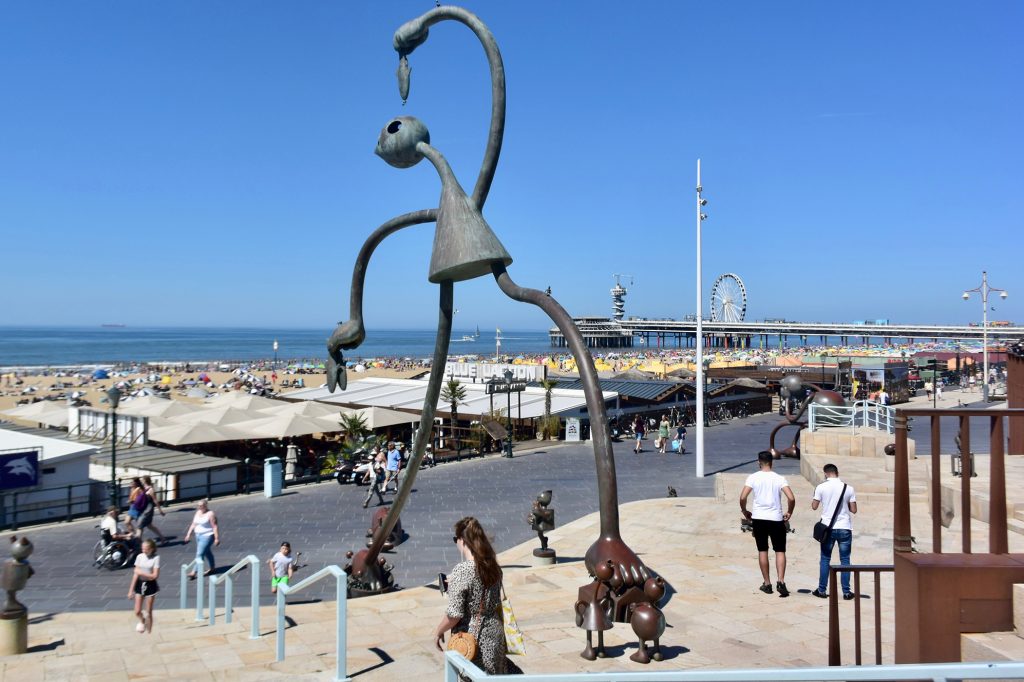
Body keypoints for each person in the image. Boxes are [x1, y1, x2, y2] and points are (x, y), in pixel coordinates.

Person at [433, 517, 522, 675]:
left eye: (456, 539)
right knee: (496, 674)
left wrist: (439, 630)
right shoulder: (493, 567)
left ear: (463, 540)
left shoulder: (462, 570)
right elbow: (481, 587)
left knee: (475, 676)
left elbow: (455, 614)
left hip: (473, 638)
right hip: (495, 632)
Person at [739, 451, 796, 597]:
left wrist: (745, 510)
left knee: (763, 550)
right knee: (780, 550)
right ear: (772, 462)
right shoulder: (779, 478)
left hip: (759, 518)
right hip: (776, 518)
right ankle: (781, 581)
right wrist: (789, 512)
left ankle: (767, 583)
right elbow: (791, 497)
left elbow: (743, 496)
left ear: (759, 462)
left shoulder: (753, 478)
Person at [811, 463, 857, 600]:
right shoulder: (848, 488)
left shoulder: (821, 487)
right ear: (837, 472)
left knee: (825, 559)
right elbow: (853, 510)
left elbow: (814, 506)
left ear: (826, 473)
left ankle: (822, 590)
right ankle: (847, 592)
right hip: (844, 528)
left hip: (827, 528)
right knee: (845, 560)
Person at [128, 539, 160, 634]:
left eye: (146, 549)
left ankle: (149, 632)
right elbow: (135, 575)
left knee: (148, 611)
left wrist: (142, 573)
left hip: (150, 585)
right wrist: (131, 590)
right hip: (140, 583)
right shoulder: (139, 557)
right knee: (137, 611)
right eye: (143, 548)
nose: (144, 550)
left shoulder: (156, 558)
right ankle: (142, 620)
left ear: (151, 549)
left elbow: (155, 575)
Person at [183, 499, 219, 578]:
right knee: (207, 552)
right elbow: (194, 524)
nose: (199, 507)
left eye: (201, 506)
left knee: (199, 554)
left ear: (205, 506)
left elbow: (214, 526)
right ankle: (212, 567)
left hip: (207, 536)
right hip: (198, 535)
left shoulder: (210, 514)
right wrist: (188, 534)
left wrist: (216, 538)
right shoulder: (197, 513)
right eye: (198, 506)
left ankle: (194, 572)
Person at [137, 476, 167, 544]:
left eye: (143, 480)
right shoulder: (144, 488)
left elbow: (155, 500)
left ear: (145, 480)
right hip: (145, 509)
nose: (142, 481)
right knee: (149, 526)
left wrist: (160, 510)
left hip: (148, 510)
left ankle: (138, 543)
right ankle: (162, 538)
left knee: (140, 525)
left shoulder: (151, 489)